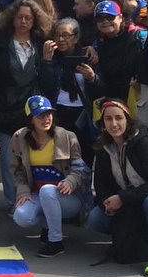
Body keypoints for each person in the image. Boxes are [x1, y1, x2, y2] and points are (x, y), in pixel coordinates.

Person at [86, 99, 148, 276]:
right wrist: (108, 202)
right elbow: (100, 184)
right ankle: (134, 239)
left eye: (119, 118)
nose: (114, 124)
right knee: (95, 217)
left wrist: (122, 198)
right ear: (102, 123)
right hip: (128, 204)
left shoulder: (143, 142)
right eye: (108, 119)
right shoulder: (103, 147)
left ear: (127, 120)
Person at [10, 96, 88, 257]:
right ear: (31, 119)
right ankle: (47, 224)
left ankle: (55, 242)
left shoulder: (67, 136)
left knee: (47, 191)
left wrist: (71, 181)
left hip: (67, 197)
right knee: (22, 216)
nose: (46, 119)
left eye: (49, 114)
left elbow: (81, 169)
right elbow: (17, 170)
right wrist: (23, 192)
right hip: (37, 194)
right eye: (40, 115)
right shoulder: (19, 138)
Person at [0, 0, 52, 211]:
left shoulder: (42, 43)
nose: (24, 21)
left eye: (28, 17)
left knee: (34, 161)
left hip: (32, 111)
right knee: (10, 162)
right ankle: (13, 202)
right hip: (5, 108)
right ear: (12, 19)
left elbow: (48, 79)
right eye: (19, 17)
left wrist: (46, 61)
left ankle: (34, 201)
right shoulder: (1, 43)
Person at [37, 17, 101, 167]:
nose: (60, 39)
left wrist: (92, 78)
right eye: (57, 35)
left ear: (76, 37)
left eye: (65, 35)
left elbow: (100, 88)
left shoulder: (88, 56)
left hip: (82, 114)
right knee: (60, 156)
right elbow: (46, 86)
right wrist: (47, 61)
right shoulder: (51, 57)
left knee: (83, 157)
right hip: (58, 112)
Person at [92, 0, 143, 103]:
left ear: (120, 18)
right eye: (100, 18)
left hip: (133, 98)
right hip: (108, 98)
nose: (105, 21)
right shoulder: (97, 43)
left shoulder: (136, 37)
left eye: (110, 17)